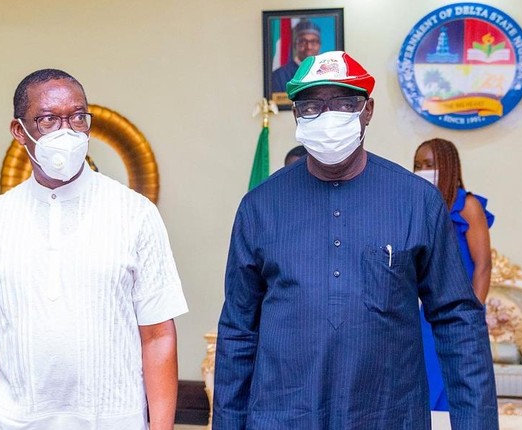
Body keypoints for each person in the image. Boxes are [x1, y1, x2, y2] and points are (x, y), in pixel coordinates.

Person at [213, 51, 498, 429]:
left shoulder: (416, 201)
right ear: (296, 115)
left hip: (386, 414)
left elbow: (457, 319)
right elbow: (238, 330)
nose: (327, 116)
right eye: (312, 105)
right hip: (283, 414)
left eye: (344, 103)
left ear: (367, 111)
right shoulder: (260, 207)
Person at [0, 69, 188, 430]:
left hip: (112, 420)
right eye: (49, 119)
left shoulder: (135, 213)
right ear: (19, 131)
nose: (67, 130)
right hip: (10, 421)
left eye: (78, 117)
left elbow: (158, 335)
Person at [413, 137, 495, 411]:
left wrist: (474, 312)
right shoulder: (418, 207)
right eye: (417, 165)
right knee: (424, 384)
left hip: (460, 313)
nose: (422, 169)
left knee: (457, 385)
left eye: (429, 164)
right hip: (423, 315)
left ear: (447, 166)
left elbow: (483, 264)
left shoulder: (467, 205)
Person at [271, 20, 322, 93]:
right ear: (295, 45)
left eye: (313, 42)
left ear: (320, 45)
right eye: (303, 42)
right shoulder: (279, 76)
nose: (309, 47)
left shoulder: (327, 74)